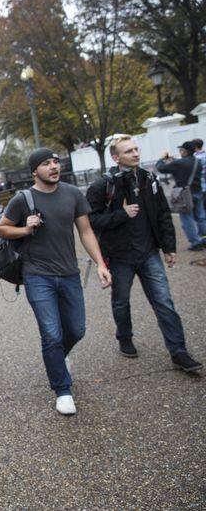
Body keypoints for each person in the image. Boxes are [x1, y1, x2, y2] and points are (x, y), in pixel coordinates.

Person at [0, 148, 111, 416]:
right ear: (34, 170)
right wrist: (25, 229)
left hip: (69, 273)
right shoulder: (22, 199)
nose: (53, 167)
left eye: (55, 162)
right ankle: (63, 390)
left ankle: (60, 356)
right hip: (37, 275)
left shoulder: (72, 194)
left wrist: (100, 264)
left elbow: (85, 231)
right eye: (46, 163)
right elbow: (3, 228)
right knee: (51, 334)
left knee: (77, 329)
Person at [87, 136, 202, 372]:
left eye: (137, 149)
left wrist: (168, 247)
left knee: (164, 302)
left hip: (149, 253)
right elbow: (90, 221)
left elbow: (162, 214)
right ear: (116, 157)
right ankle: (125, 337)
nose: (136, 153)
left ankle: (179, 352)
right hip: (120, 257)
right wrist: (121, 214)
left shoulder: (150, 179)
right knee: (121, 302)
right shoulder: (103, 185)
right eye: (129, 151)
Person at [156, 141, 206, 251]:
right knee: (201, 218)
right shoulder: (198, 162)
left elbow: (160, 168)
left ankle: (195, 243)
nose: (180, 152)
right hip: (198, 192)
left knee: (187, 219)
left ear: (185, 151)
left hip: (184, 194)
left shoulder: (180, 163)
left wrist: (161, 159)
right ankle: (204, 239)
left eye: (181, 150)